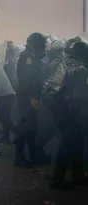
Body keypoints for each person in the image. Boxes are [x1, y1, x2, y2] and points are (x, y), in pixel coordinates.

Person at [43, 39, 88, 189]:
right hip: (68, 108)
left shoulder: (64, 62)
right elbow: (80, 95)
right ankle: (58, 177)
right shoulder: (80, 69)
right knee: (69, 141)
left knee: (76, 140)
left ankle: (77, 174)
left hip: (56, 105)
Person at [15, 32, 46, 167]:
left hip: (31, 95)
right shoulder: (27, 57)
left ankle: (33, 154)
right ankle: (19, 157)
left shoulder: (32, 56)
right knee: (24, 127)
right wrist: (32, 97)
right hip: (27, 96)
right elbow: (27, 80)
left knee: (32, 126)